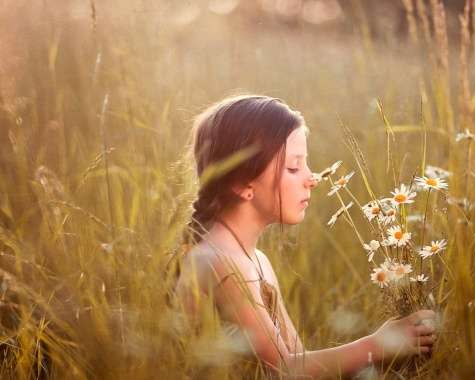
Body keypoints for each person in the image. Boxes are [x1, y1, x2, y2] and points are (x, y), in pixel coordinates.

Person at [173, 94, 436, 378]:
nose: (312, 178)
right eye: (293, 167)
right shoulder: (222, 262)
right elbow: (286, 370)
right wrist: (378, 344)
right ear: (241, 183)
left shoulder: (255, 259)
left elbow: (298, 361)